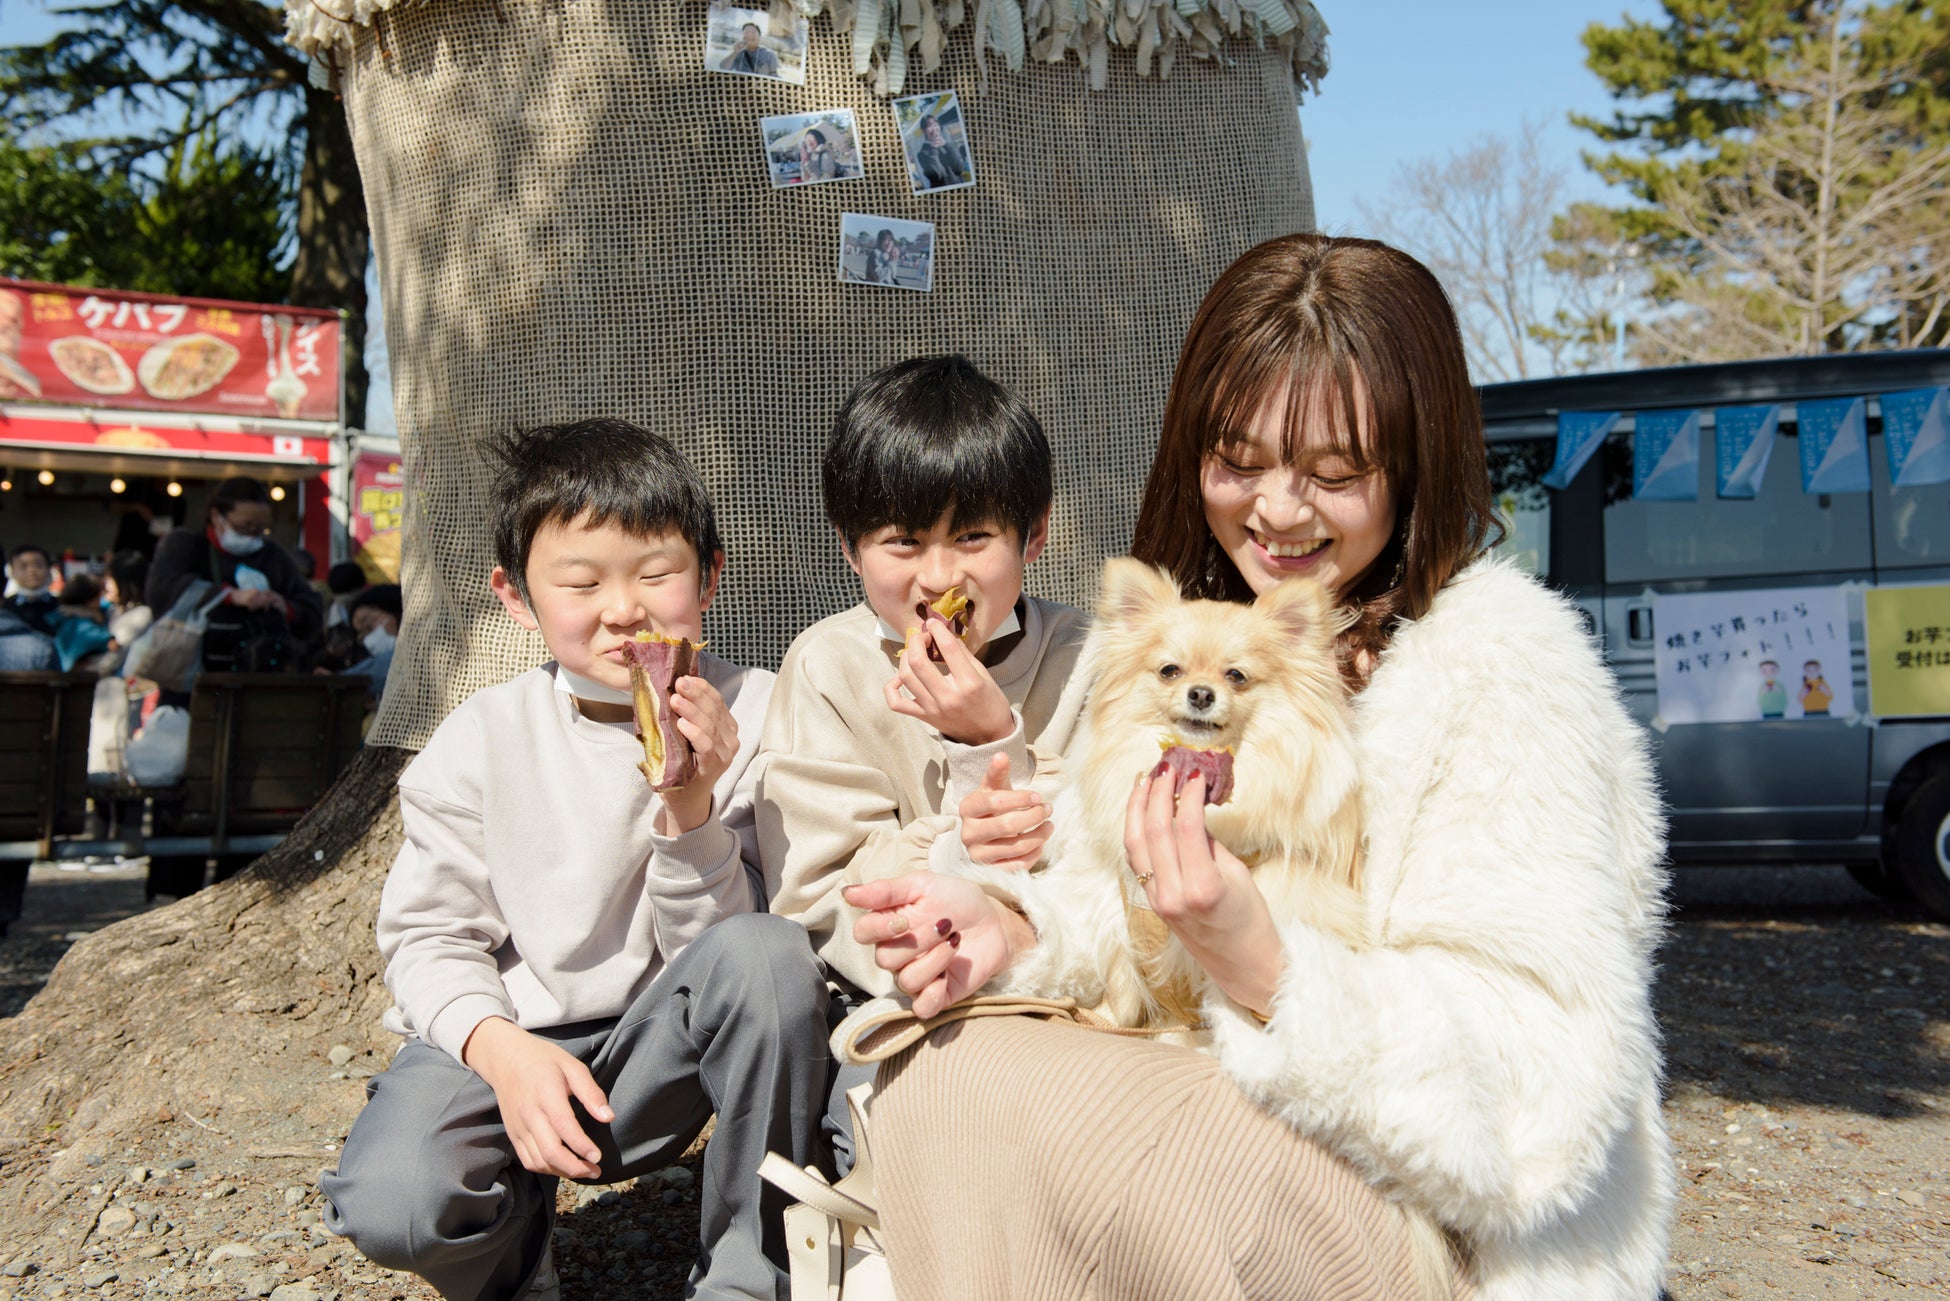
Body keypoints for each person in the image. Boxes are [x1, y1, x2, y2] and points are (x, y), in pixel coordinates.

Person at [843, 235, 1674, 1299]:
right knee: (943, 1079)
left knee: (1141, 1159)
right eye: (1239, 463)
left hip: (1438, 1213)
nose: (1278, 512)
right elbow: (1120, 911)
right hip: (1202, 1085)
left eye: (1334, 472)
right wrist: (1017, 925)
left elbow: (1545, 1092)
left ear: (1415, 465)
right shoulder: (1184, 634)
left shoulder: (1496, 670)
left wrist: (1265, 965)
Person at [320, 418, 828, 1301]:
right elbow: (428, 938)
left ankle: (750, 1272)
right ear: (516, 597)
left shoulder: (769, 715)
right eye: (581, 581)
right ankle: (513, 1263)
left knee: (770, 953)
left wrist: (689, 809)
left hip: (664, 1044)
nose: (624, 608)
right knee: (398, 1201)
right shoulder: (480, 737)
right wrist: (500, 1049)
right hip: (511, 1038)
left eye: (656, 572)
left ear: (709, 577)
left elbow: (747, 967)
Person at [756, 354, 1091, 1032]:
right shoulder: (829, 667)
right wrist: (937, 928)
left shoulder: (1093, 655)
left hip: (1067, 991)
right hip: (900, 1002)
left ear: (1037, 533)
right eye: (903, 542)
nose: (940, 577)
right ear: (849, 549)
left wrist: (992, 740)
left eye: (972, 536)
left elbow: (1105, 861)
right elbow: (820, 891)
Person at [146, 478, 323, 684]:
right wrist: (228, 596)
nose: (252, 535)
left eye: (260, 529)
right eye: (244, 527)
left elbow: (312, 610)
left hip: (260, 681)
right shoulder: (186, 545)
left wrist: (286, 607)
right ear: (216, 517)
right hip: (192, 680)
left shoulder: (274, 556)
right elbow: (160, 589)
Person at [52, 575, 115, 672]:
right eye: (99, 596)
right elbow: (102, 641)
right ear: (90, 600)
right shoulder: (78, 623)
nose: (102, 598)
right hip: (78, 677)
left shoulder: (65, 616)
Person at [2, 542, 59, 635]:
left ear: (49, 570)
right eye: (23, 566)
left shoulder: (62, 607)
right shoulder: (5, 608)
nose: (32, 571)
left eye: (38, 565)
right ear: (12, 572)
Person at [910, 113, 969, 190]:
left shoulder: (947, 145)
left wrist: (947, 146)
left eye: (935, 125)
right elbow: (937, 175)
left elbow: (960, 168)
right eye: (930, 126)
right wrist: (933, 148)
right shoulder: (922, 153)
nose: (934, 128)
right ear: (923, 130)